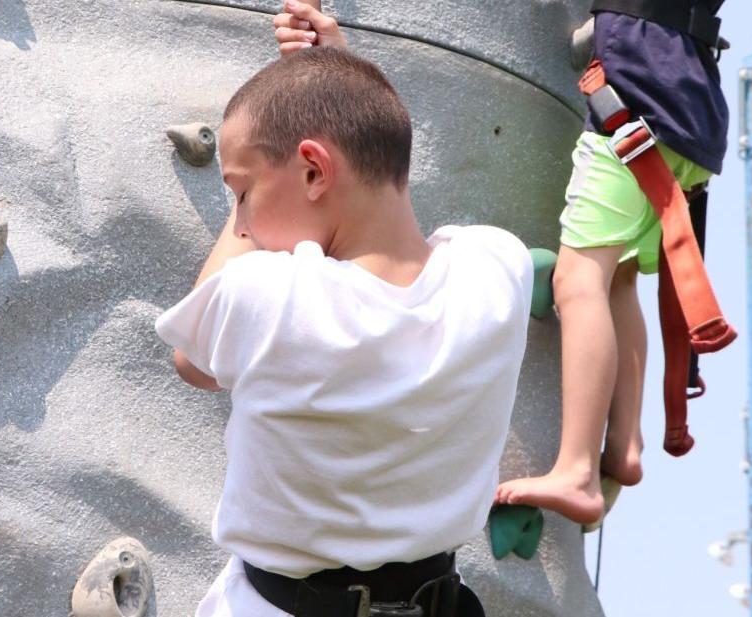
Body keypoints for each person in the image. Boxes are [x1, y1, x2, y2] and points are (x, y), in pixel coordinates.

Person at [154, 8, 533, 615]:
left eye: (242, 190)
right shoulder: (497, 269)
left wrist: (314, 90)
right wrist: (340, 80)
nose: (244, 221)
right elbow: (384, 194)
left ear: (313, 170)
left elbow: (192, 361)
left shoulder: (268, 296)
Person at [493, 6, 730, 526]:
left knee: (577, 280)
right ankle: (624, 442)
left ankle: (577, 471)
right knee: (617, 276)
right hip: (692, 108)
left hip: (635, 101)